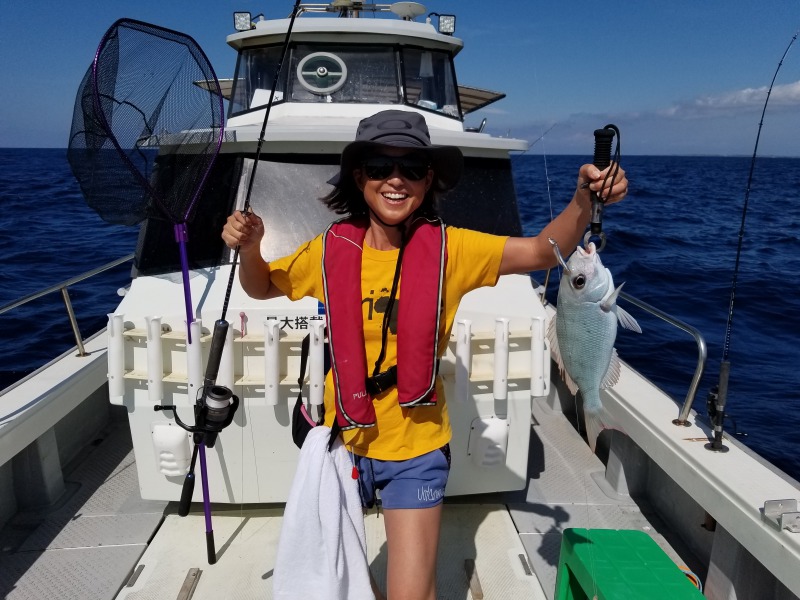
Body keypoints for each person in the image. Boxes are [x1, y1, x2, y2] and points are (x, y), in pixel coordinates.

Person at [221, 109, 628, 600]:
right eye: (379, 167)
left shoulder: (453, 250)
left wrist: (583, 200)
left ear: (429, 178)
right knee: (334, 578)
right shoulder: (328, 250)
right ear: (359, 176)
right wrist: (251, 247)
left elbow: (544, 252)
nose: (396, 180)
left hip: (416, 448)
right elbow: (260, 285)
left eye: (412, 168)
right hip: (341, 442)